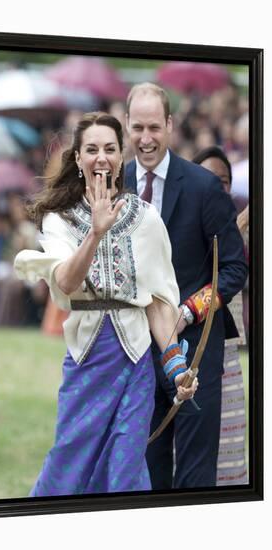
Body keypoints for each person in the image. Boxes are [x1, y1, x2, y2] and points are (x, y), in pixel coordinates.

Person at [14, 112, 197, 496]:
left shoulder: (146, 218)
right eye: (92, 149)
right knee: (69, 459)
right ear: (78, 159)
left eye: (110, 149)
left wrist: (177, 368)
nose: (102, 157)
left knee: (126, 468)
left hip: (136, 362)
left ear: (121, 155)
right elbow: (65, 281)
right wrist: (95, 234)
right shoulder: (59, 219)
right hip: (87, 359)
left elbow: (158, 304)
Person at [124, 83, 248, 489]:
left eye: (154, 127)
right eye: (138, 127)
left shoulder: (203, 187)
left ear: (171, 125)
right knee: (145, 472)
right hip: (133, 353)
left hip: (194, 348)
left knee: (194, 478)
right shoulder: (114, 186)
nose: (146, 138)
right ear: (127, 126)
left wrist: (189, 311)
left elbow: (232, 269)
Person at [192, 146, 249, 485]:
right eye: (209, 180)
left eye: (223, 182)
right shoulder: (183, 226)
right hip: (188, 349)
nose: (217, 188)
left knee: (229, 451)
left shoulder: (238, 230)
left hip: (227, 355)